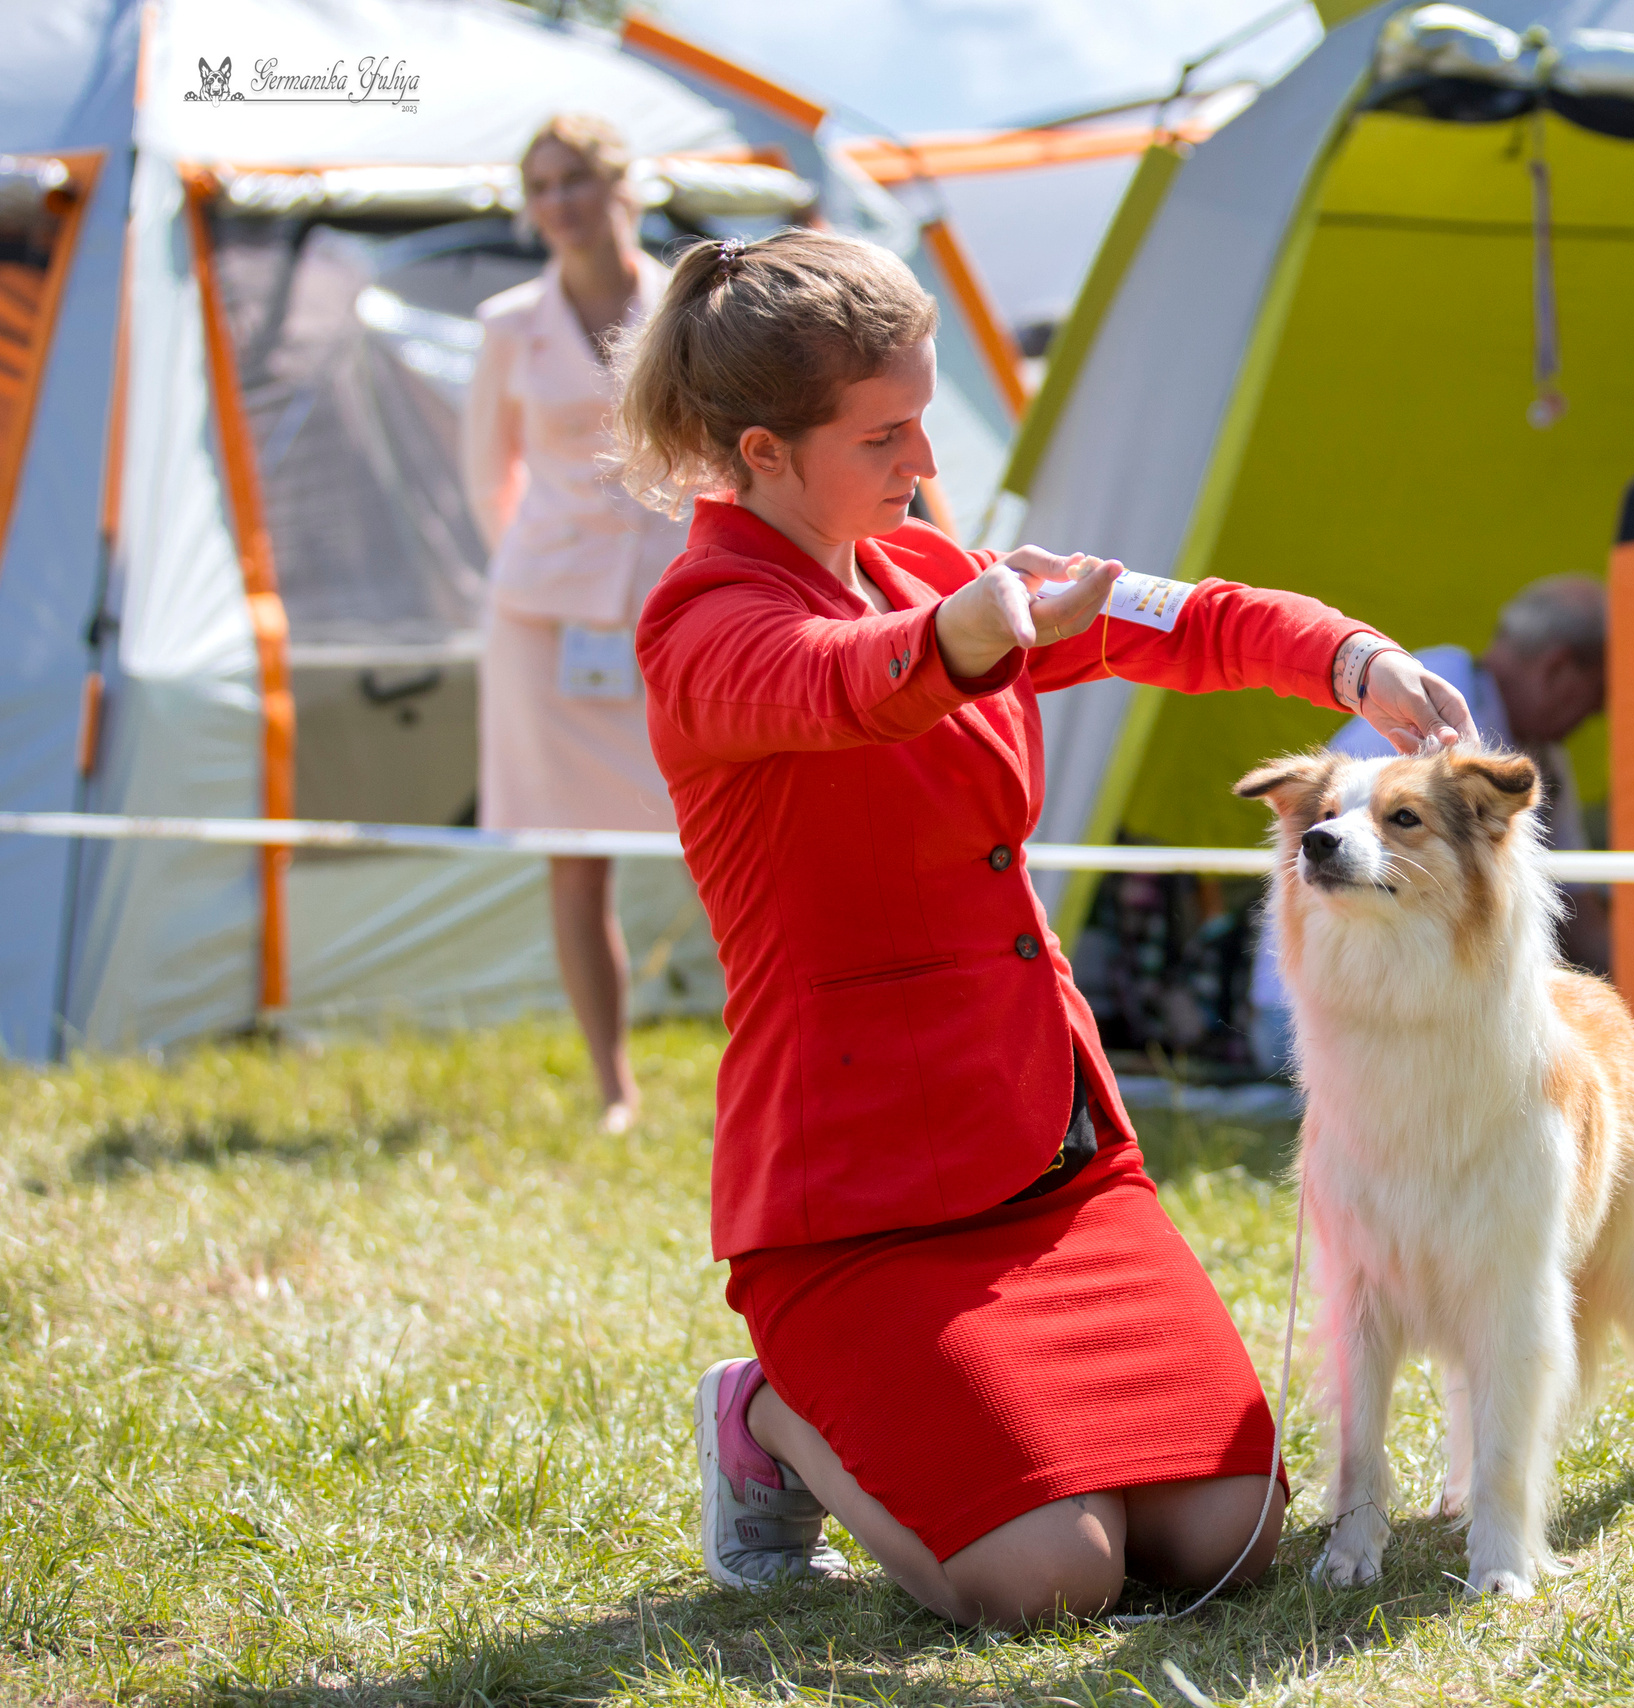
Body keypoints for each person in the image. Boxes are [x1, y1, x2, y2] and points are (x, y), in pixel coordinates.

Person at [615, 229, 1477, 1629]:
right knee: (1049, 1582)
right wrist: (972, 633)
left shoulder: (926, 569)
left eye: (924, 415)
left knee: (1235, 1533)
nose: (920, 459)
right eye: (883, 433)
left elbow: (1176, 618)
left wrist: (1349, 657)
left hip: (1048, 1152)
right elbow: (840, 686)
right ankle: (768, 1415)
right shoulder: (705, 626)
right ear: (763, 451)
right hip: (861, 1198)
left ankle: (968, 1436)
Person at [464, 115, 686, 1134]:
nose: (557, 201)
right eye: (540, 183)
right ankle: (614, 1090)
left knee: (737, 830)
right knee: (574, 854)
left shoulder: (684, 303)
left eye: (574, 180)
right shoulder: (508, 324)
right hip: (545, 622)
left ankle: (780, 1059)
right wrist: (552, 563)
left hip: (672, 610)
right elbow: (487, 480)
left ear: (619, 184)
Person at [1247, 575, 1610, 1073]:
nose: (1588, 721)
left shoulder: (1542, 755)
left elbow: (1579, 901)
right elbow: (1335, 844)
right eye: (1594, 701)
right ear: (1558, 670)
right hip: (1324, 1013)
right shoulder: (1430, 701)